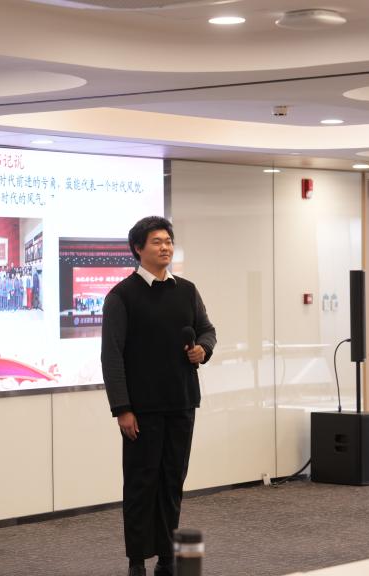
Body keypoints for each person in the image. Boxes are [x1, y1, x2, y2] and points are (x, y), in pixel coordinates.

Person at [101, 216, 217, 576]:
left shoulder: (187, 290)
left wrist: (203, 349)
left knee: (172, 482)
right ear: (138, 248)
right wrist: (122, 408)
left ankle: (167, 558)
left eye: (168, 241)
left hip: (182, 402)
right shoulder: (121, 296)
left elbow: (207, 330)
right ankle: (137, 560)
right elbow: (111, 356)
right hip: (142, 410)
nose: (165, 247)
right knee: (141, 484)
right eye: (157, 241)